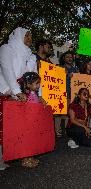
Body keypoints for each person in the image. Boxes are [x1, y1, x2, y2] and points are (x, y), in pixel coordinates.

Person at [0, 27, 37, 170]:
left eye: (30, 36)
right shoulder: (6, 48)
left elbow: (30, 76)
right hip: (5, 92)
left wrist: (36, 95)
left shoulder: (28, 54)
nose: (29, 38)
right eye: (26, 35)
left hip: (19, 94)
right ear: (19, 36)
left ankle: (21, 156)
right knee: (3, 128)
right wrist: (15, 91)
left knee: (20, 127)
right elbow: (7, 70)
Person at [17, 72, 46, 168]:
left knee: (32, 140)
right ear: (28, 84)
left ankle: (30, 157)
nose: (39, 85)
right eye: (36, 83)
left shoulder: (34, 94)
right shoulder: (24, 96)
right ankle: (25, 160)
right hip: (27, 124)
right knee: (27, 141)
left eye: (39, 83)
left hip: (34, 122)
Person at [58, 51, 79, 137]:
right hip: (62, 93)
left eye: (71, 57)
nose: (69, 58)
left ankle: (67, 130)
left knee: (69, 113)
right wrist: (66, 76)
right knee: (59, 113)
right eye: (67, 57)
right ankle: (58, 131)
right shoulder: (60, 67)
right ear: (64, 58)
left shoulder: (75, 69)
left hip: (73, 94)